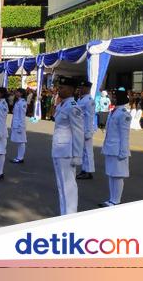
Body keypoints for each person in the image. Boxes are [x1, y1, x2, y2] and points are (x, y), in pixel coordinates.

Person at [51, 76, 84, 215]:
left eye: (62, 87)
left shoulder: (73, 108)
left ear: (71, 90)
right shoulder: (62, 105)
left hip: (67, 152)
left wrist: (77, 155)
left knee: (69, 185)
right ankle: (64, 213)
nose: (59, 89)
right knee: (61, 185)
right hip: (58, 150)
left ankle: (70, 214)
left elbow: (78, 133)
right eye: (59, 87)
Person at [99, 88, 131, 207]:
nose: (111, 98)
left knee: (117, 176)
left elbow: (125, 135)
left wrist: (123, 152)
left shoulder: (123, 114)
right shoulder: (115, 111)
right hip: (111, 148)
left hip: (118, 150)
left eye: (114, 96)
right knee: (111, 174)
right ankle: (112, 199)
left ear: (119, 98)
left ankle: (116, 201)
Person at [76, 81, 96, 180]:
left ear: (87, 89)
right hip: (80, 128)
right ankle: (84, 169)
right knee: (83, 151)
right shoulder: (81, 99)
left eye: (82, 87)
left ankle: (88, 171)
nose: (80, 89)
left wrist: (88, 131)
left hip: (86, 129)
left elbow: (90, 117)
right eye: (80, 87)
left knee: (87, 151)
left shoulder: (89, 101)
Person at [10, 88, 27, 164]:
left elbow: (22, 115)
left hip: (20, 125)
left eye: (18, 92)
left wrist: (20, 126)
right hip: (16, 124)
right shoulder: (18, 102)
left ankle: (20, 158)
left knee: (21, 142)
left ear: (21, 93)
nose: (16, 93)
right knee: (19, 142)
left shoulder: (22, 102)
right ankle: (19, 157)